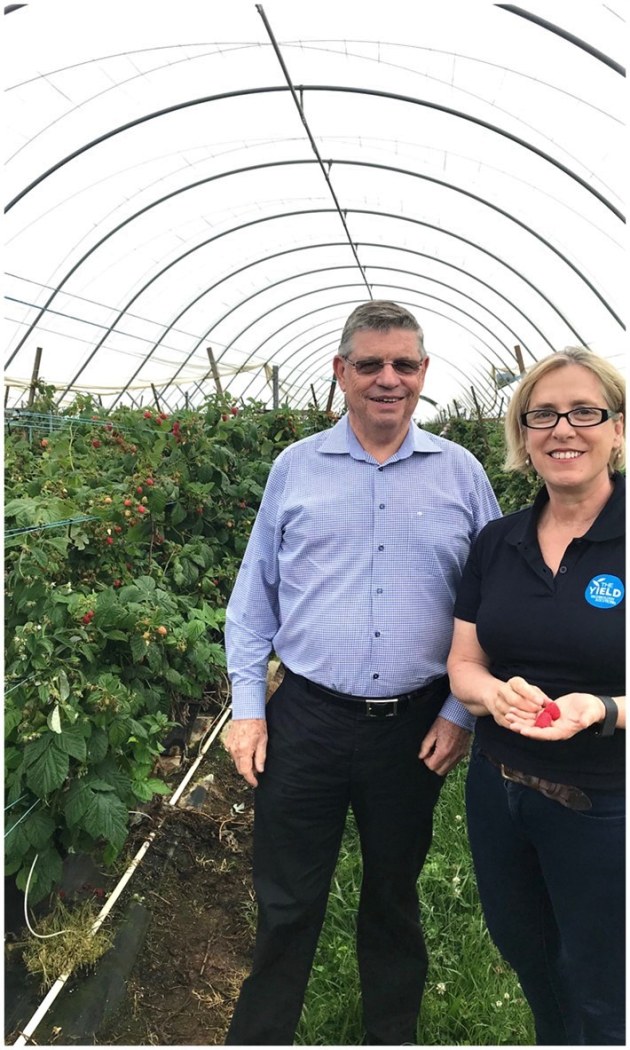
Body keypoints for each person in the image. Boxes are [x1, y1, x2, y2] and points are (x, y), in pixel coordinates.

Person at [223, 300, 501, 1046]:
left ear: (423, 374)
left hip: (414, 726)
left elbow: (492, 607)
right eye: (371, 364)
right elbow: (252, 602)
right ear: (341, 372)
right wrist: (248, 709)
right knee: (286, 901)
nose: (388, 379)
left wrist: (460, 712)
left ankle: (390, 1034)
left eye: (404, 365)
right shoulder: (297, 468)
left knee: (392, 894)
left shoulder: (461, 474)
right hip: (306, 718)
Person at [446, 347, 625, 1046]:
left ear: (618, 427)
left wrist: (602, 709)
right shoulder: (498, 542)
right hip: (500, 790)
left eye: (585, 411)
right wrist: (491, 692)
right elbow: (463, 662)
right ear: (522, 434)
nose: (563, 429)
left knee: (604, 977)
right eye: (542, 414)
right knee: (530, 954)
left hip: (607, 802)